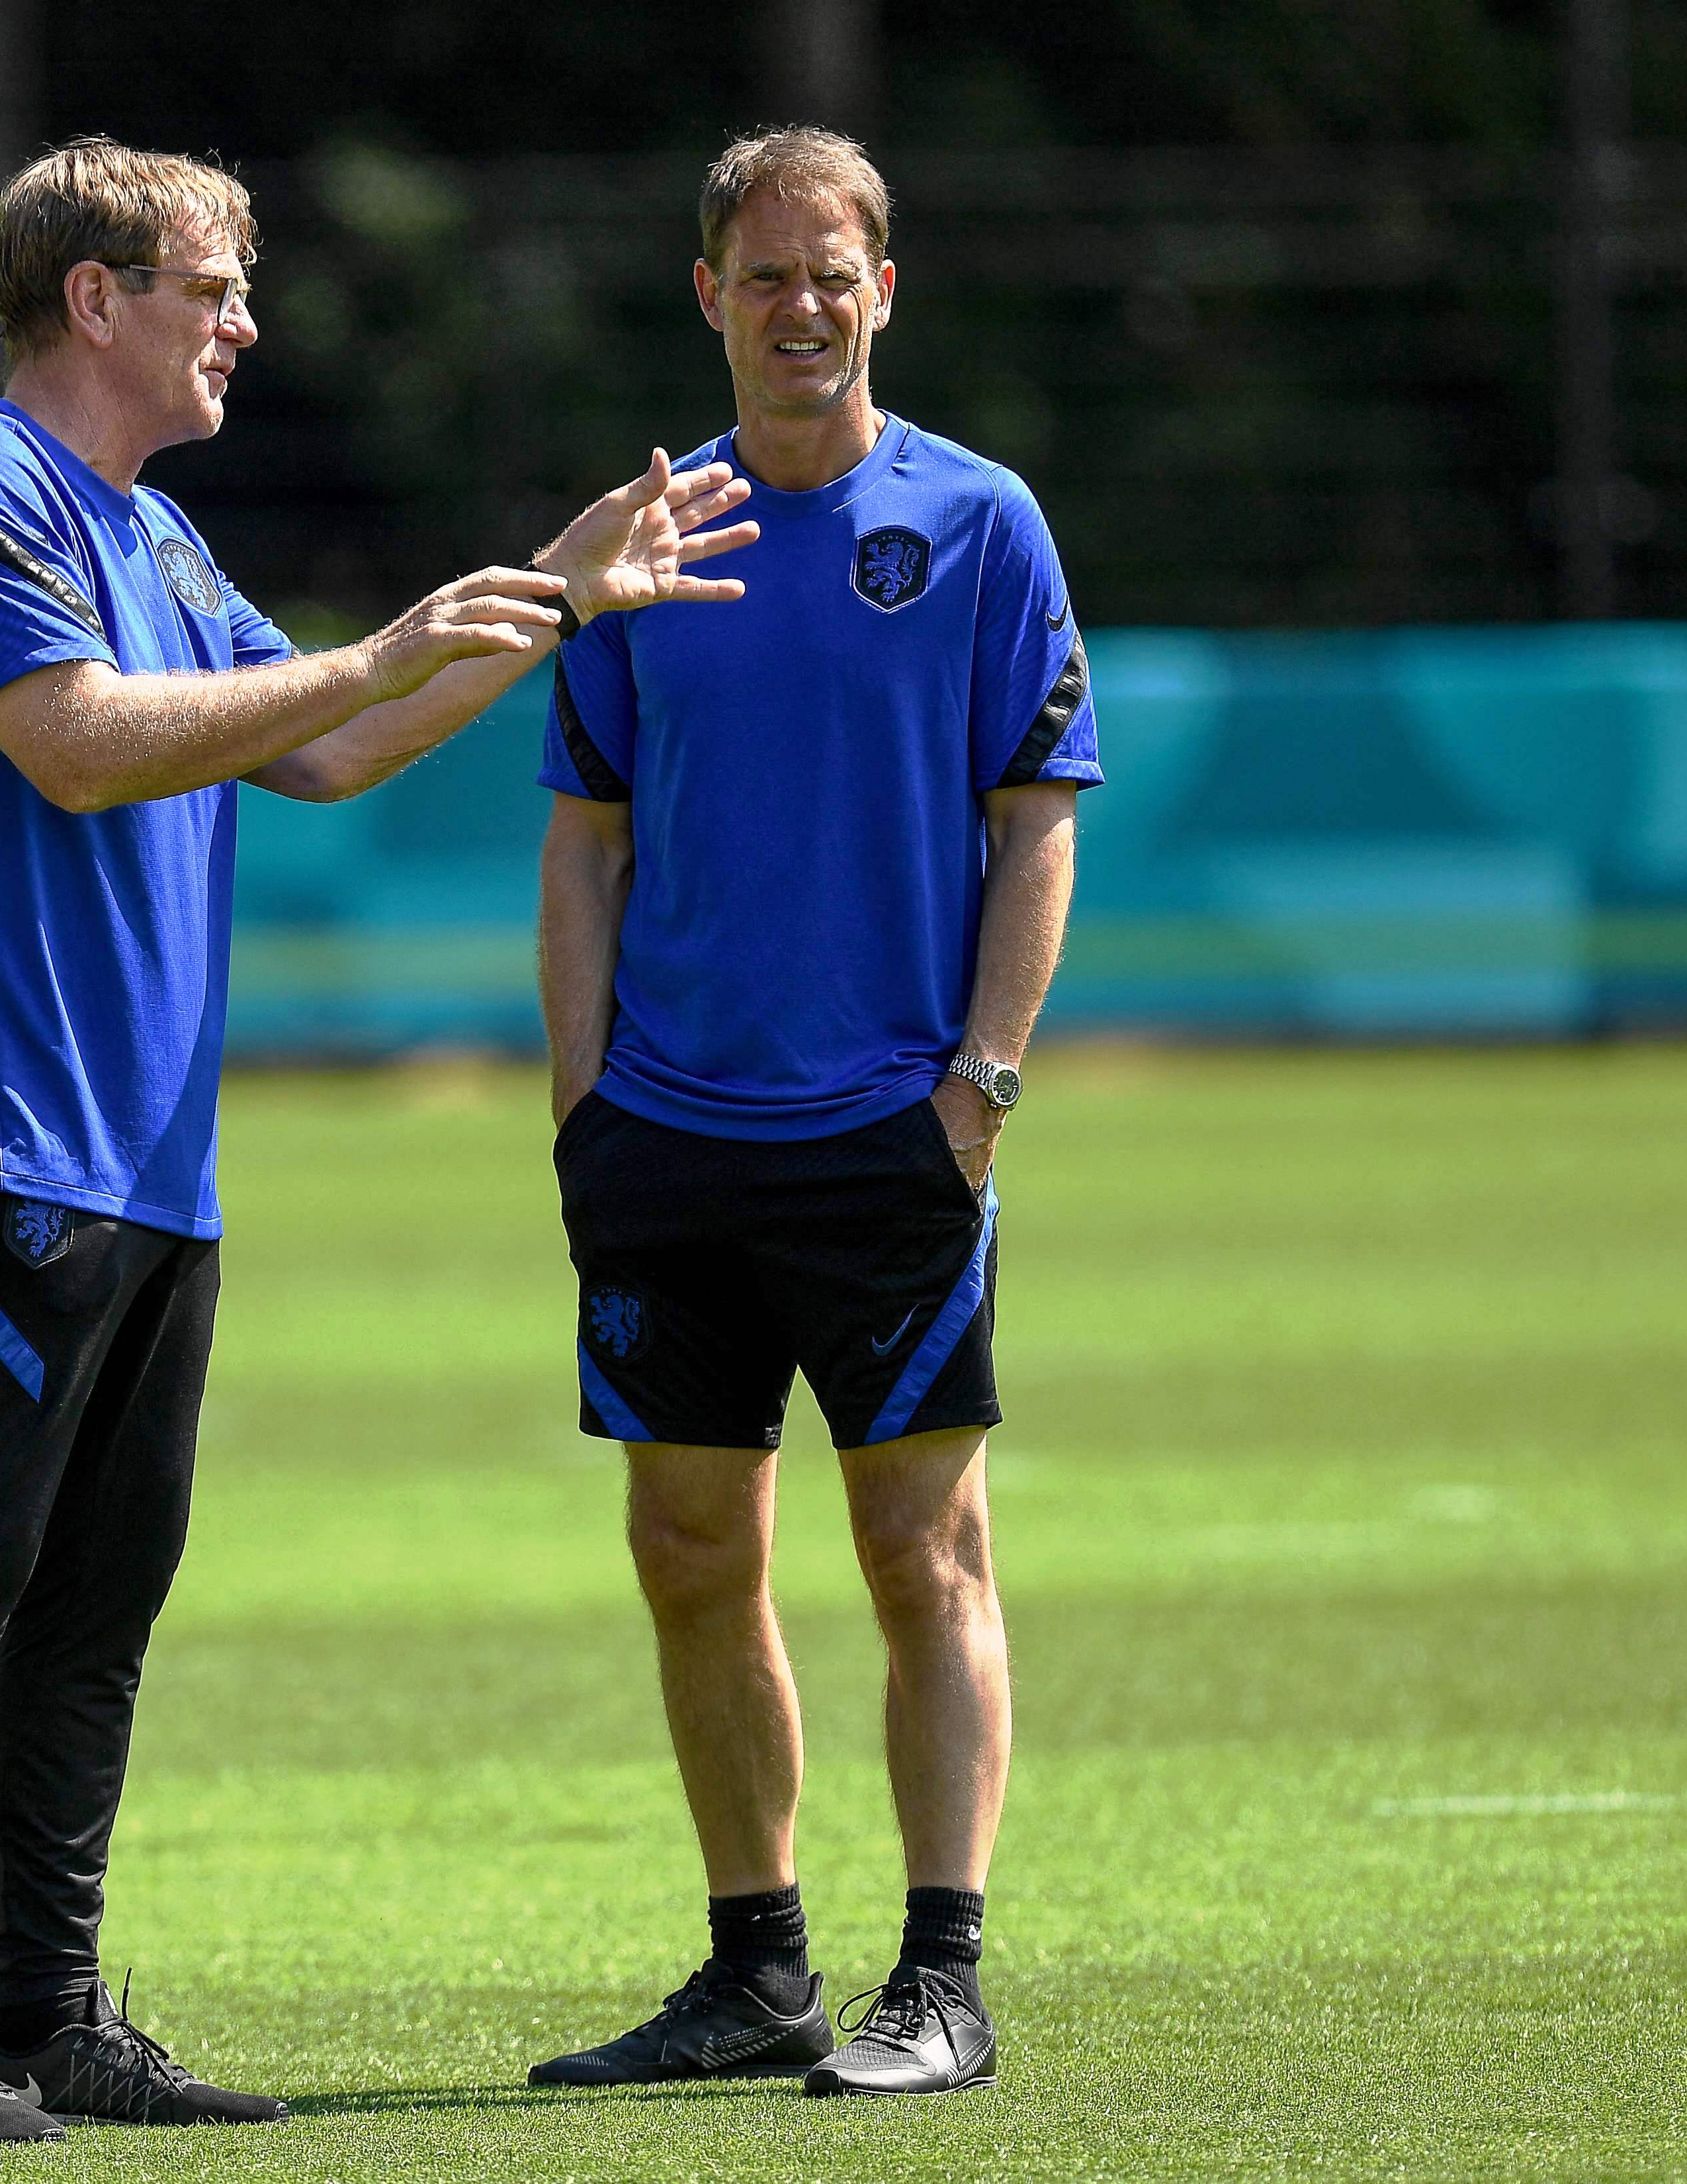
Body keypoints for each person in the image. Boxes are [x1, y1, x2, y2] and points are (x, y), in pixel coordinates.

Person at [0, 138, 756, 2146]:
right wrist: (392, 644)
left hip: (147, 1155)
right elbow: (73, 746)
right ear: (96, 299)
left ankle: (48, 2016)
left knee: (99, 1599)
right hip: (0, 1133)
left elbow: (321, 746)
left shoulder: (156, 538)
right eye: (216, 283)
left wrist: (557, 610)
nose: (244, 321)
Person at [527, 126, 1101, 2101]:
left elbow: (1037, 825)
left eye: (831, 272)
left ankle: (941, 1981)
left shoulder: (981, 522)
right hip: (666, 1137)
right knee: (691, 1542)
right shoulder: (643, 539)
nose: (799, 308)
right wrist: (583, 1105)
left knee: (920, 1545)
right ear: (708, 297)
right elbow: (584, 844)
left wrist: (983, 1085)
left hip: (889, 1136)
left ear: (886, 285)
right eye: (761, 276)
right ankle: (754, 1968)